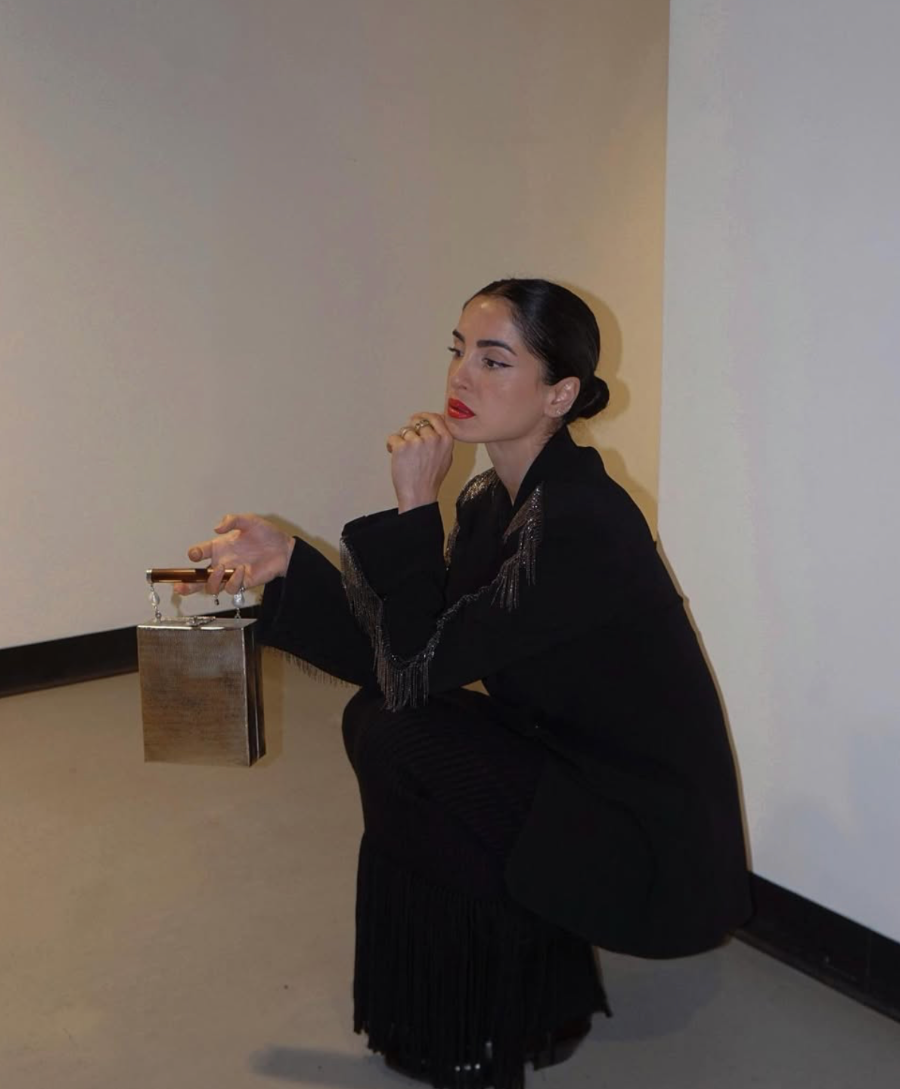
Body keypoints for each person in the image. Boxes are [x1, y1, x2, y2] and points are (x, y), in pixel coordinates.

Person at [176, 278, 751, 1089]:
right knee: (377, 719)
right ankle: (450, 1012)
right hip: (571, 770)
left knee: (407, 734)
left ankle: (489, 1016)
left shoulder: (583, 517)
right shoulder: (495, 501)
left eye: (493, 359)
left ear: (560, 393)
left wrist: (416, 506)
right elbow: (407, 656)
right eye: (457, 350)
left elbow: (412, 667)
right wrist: (286, 565)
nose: (460, 377)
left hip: (643, 835)